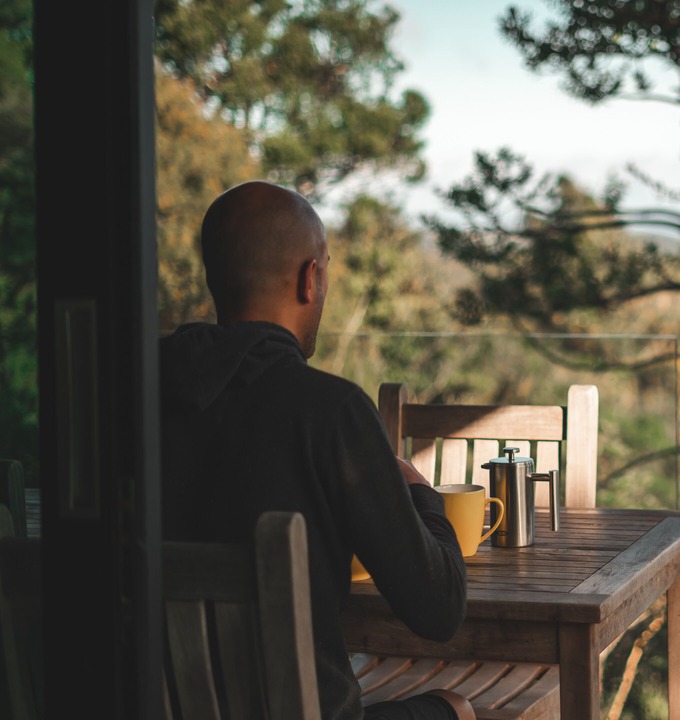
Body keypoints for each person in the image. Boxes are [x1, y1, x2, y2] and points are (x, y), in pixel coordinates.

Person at [160, 181, 473, 720]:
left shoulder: (137, 394)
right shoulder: (331, 412)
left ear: (216, 279)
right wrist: (423, 496)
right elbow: (438, 608)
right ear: (311, 279)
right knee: (457, 706)